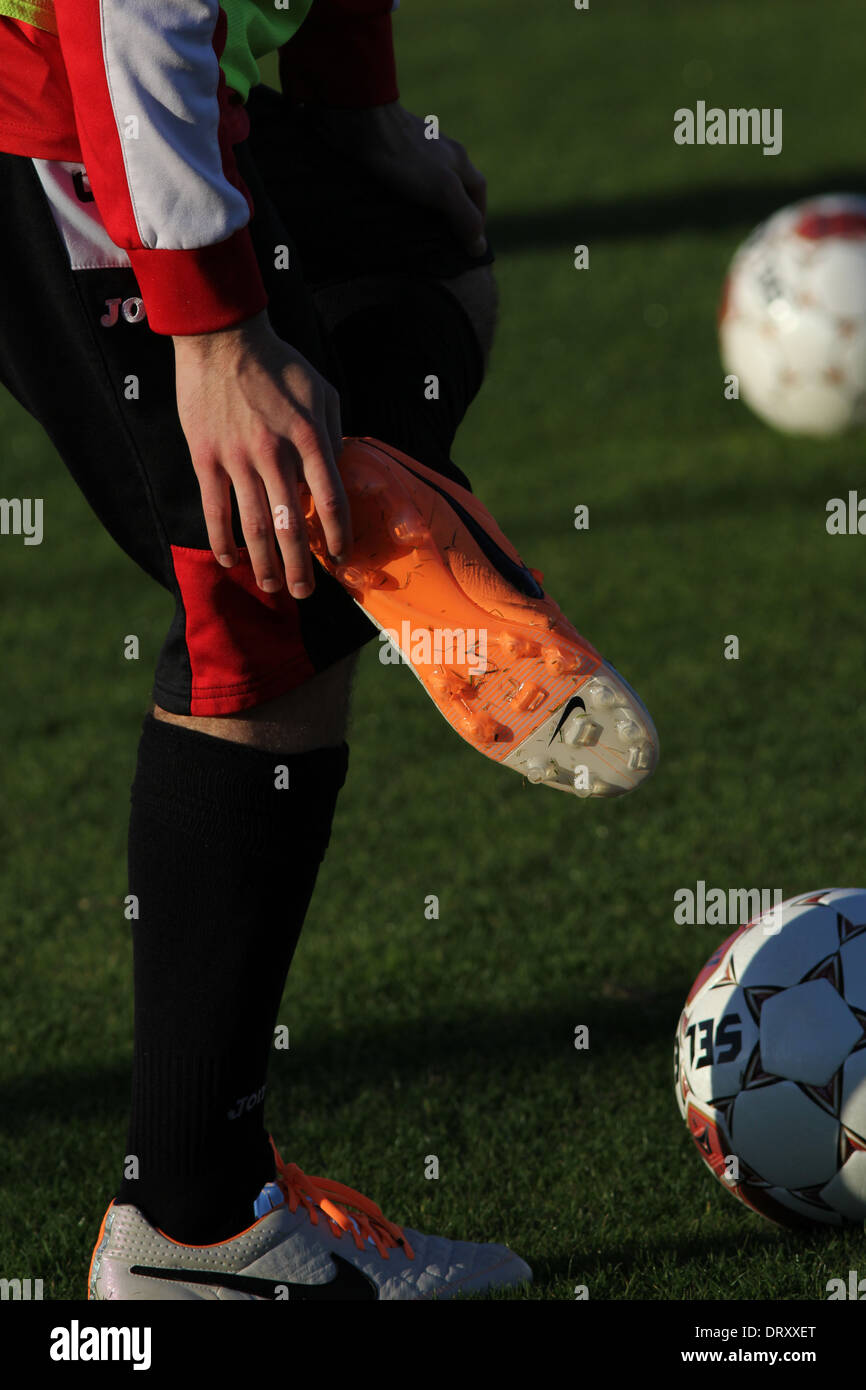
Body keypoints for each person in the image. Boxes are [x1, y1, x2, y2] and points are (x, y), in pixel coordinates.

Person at [0, 0, 656, 1300]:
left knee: (415, 259)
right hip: (66, 90)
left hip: (203, 85)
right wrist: (214, 334)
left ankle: (382, 513)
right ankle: (193, 1229)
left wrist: (365, 125)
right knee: (265, 595)